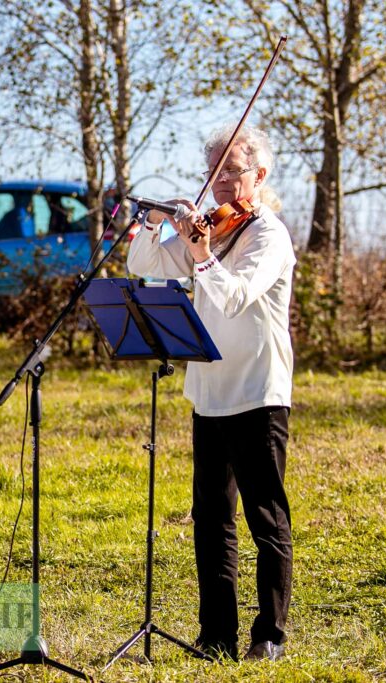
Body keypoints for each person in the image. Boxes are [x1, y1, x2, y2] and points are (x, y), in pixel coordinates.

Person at [126, 125, 295, 662]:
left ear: (258, 176)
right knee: (211, 518)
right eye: (214, 171)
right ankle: (216, 635)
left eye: (232, 170)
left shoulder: (267, 234)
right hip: (208, 390)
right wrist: (153, 226)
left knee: (265, 516)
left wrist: (201, 254)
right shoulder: (211, 231)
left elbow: (234, 297)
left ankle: (269, 635)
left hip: (257, 389)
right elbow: (144, 267)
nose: (220, 182)